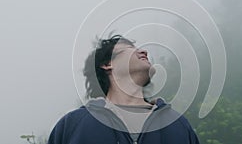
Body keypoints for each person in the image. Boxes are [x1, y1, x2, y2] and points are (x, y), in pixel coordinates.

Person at [48, 35, 200, 144]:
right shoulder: (72, 126)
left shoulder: (178, 124)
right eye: (130, 49)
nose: (144, 52)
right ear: (107, 64)